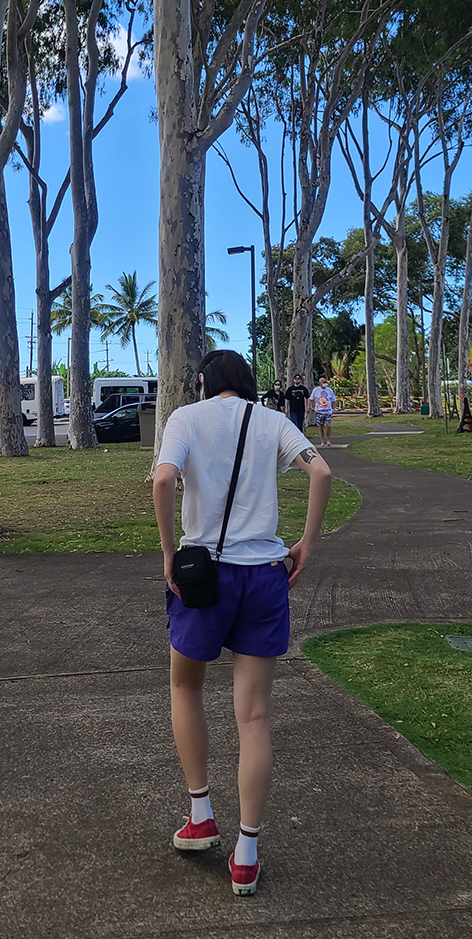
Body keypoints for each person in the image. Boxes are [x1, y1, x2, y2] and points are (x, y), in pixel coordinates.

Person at [153, 349, 332, 897]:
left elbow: (163, 480)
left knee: (185, 686)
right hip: (264, 576)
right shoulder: (273, 420)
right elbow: (321, 471)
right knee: (254, 717)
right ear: (249, 382)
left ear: (203, 381)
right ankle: (247, 852)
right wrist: (307, 544)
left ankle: (200, 814)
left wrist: (169, 554)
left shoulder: (186, 418)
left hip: (204, 578)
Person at [309, 376, 336, 445]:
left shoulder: (330, 390)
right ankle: (322, 441)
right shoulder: (316, 390)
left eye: (325, 382)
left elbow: (333, 400)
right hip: (319, 411)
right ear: (320, 383)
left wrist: (334, 408)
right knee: (321, 426)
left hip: (328, 411)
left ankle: (328, 440)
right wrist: (311, 407)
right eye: (323, 382)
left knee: (328, 425)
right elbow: (311, 399)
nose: (324, 383)